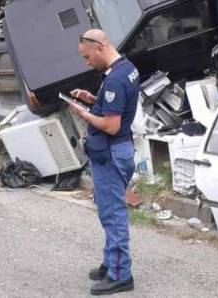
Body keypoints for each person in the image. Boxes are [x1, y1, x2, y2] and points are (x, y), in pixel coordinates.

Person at [66, 29, 140, 295]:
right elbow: (114, 108)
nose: (87, 62)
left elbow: (110, 124)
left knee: (113, 214)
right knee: (108, 210)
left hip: (111, 152)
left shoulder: (116, 80)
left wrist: (82, 113)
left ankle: (121, 274)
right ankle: (111, 262)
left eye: (87, 57)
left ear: (99, 48)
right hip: (118, 149)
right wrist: (92, 100)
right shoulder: (126, 68)